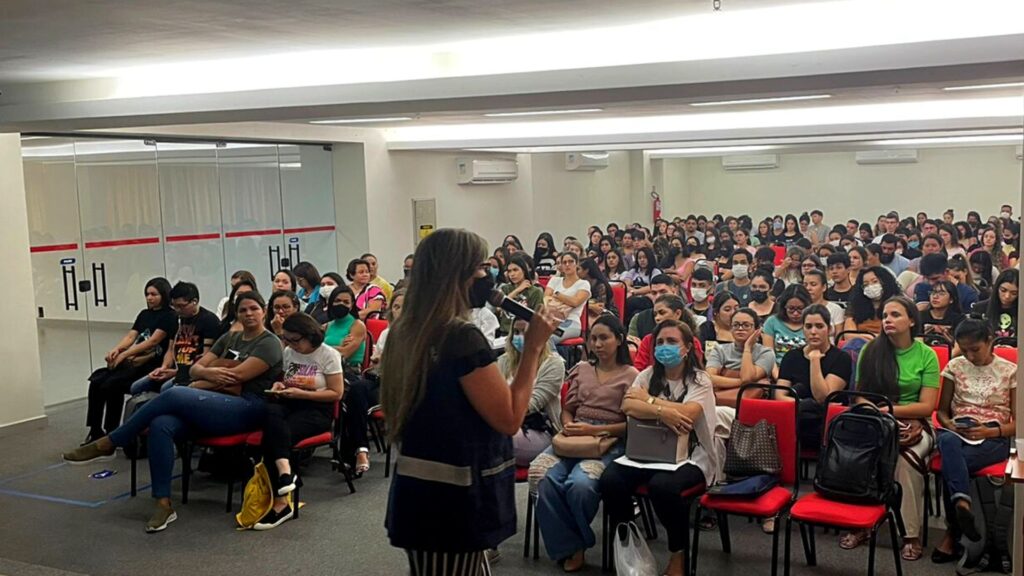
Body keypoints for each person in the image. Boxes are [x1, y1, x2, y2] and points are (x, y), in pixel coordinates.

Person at [381, 228, 558, 575]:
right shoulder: (460, 337)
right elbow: (509, 418)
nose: (486, 276)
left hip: (421, 485)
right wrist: (535, 347)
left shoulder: (406, 331)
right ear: (455, 275)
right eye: (479, 268)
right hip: (453, 496)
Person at [64, 291, 283, 533]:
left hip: (247, 409)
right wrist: (212, 371)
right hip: (214, 402)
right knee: (161, 423)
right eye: (243, 310)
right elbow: (194, 369)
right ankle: (163, 504)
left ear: (263, 310)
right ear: (237, 313)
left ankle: (112, 441)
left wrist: (212, 370)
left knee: (174, 394)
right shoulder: (230, 338)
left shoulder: (269, 342)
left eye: (253, 308)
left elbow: (238, 376)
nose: (249, 314)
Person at [600, 320, 722, 576]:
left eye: (672, 342)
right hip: (646, 452)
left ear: (687, 347)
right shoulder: (646, 375)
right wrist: (662, 412)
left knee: (662, 487)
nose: (664, 347)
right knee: (610, 479)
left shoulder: (700, 380)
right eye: (660, 342)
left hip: (692, 456)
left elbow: (688, 415)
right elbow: (628, 406)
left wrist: (648, 401)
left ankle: (678, 553)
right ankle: (630, 544)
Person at [532, 316, 637, 572]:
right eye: (593, 339)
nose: (597, 344)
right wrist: (568, 424)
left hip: (608, 440)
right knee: (540, 476)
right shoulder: (582, 369)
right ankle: (573, 544)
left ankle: (573, 544)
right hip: (574, 435)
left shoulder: (632, 375)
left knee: (580, 486)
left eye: (604, 338)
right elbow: (569, 409)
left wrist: (594, 429)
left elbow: (632, 426)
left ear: (619, 340)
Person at [842, 296, 938, 561]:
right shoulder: (870, 350)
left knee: (905, 460)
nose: (888, 320)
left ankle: (910, 534)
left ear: (911, 320)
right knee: (862, 454)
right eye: (885, 315)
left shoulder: (926, 355)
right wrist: (880, 415)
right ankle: (863, 523)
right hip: (877, 420)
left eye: (895, 315)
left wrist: (891, 412)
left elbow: (926, 406)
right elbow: (859, 396)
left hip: (917, 424)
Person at [931, 318, 1016, 564]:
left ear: (990, 341)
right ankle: (962, 505)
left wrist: (988, 432)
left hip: (993, 435)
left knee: (953, 464)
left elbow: (1017, 424)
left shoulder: (1010, 371)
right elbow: (942, 412)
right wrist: (950, 425)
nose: (969, 355)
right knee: (948, 443)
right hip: (958, 432)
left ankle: (953, 529)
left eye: (975, 349)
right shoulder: (955, 366)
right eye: (964, 349)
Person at [257, 313, 345, 530]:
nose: (290, 344)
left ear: (310, 336)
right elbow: (287, 379)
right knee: (269, 413)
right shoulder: (289, 351)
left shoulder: (328, 355)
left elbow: (336, 393)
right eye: (287, 339)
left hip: (317, 409)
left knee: (274, 435)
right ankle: (286, 472)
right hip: (292, 402)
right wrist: (281, 388)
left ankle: (281, 503)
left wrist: (302, 394)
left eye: (295, 340)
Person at [84, 277, 176, 443]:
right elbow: (131, 336)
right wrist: (117, 349)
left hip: (149, 364)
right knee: (96, 381)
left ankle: (112, 430)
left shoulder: (169, 316)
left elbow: (153, 341)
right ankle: (95, 428)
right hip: (132, 362)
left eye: (154, 294)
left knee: (112, 385)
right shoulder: (144, 314)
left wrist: (125, 354)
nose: (149, 298)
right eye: (147, 294)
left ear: (164, 294)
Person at [775, 304, 852, 450]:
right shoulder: (791, 356)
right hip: (798, 420)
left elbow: (823, 396)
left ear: (829, 329)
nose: (813, 332)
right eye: (808, 326)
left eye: (819, 326)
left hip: (830, 426)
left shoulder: (842, 358)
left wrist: (815, 360)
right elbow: (779, 396)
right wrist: (811, 406)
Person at [128, 281, 224, 396]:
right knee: (136, 387)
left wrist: (175, 373)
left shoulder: (209, 320)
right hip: (175, 369)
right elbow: (170, 349)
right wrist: (164, 367)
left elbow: (206, 356)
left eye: (181, 306)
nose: (177, 310)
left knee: (165, 389)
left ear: (194, 302)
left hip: (191, 373)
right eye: (174, 306)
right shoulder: (176, 318)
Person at [498, 319, 566, 466]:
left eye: (526, 332)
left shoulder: (554, 364)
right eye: (516, 332)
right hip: (505, 423)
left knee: (496, 438)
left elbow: (531, 404)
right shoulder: (504, 361)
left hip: (540, 429)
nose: (520, 337)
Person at [705, 307, 775, 409]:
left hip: (752, 408)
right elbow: (709, 378)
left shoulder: (766, 353)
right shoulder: (719, 350)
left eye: (746, 325)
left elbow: (747, 377)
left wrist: (747, 348)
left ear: (757, 329)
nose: (740, 329)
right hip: (718, 405)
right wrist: (742, 382)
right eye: (736, 325)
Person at [633, 295, 702, 371]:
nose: (657, 318)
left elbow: (696, 370)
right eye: (655, 314)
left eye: (662, 313)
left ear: (677, 314)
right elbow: (638, 369)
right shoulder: (648, 340)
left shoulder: (692, 341)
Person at [544, 252, 592, 345]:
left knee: (549, 340)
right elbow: (546, 300)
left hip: (571, 322)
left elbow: (575, 302)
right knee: (532, 337)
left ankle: (556, 360)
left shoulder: (583, 284)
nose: (567, 265)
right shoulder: (555, 280)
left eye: (571, 262)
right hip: (551, 320)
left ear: (577, 264)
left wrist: (557, 295)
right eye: (564, 262)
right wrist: (566, 301)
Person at [762, 284, 810, 373]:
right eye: (791, 309)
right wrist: (778, 376)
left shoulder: (812, 323)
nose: (795, 313)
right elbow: (769, 356)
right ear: (784, 307)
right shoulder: (772, 322)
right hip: (778, 370)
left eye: (800, 309)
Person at [843, 267, 899, 339]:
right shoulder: (855, 306)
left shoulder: (898, 305)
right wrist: (871, 337)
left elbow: (897, 336)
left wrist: (868, 337)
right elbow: (848, 335)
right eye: (866, 284)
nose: (870, 286)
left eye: (875, 281)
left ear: (885, 283)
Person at [911, 253, 978, 313]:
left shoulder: (967, 293)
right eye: (927, 279)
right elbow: (919, 312)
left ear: (946, 272)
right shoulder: (922, 287)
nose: (931, 283)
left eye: (935, 278)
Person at [498, 253, 545, 335]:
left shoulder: (535, 291)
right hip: (505, 332)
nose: (512, 274)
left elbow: (538, 318)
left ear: (524, 270)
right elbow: (499, 308)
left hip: (526, 333)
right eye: (509, 271)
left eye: (515, 270)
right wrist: (517, 290)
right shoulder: (505, 288)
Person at [627, 275, 677, 343]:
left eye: (663, 292)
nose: (658, 297)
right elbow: (632, 346)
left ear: (674, 291)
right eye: (654, 293)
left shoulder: (691, 319)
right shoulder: (638, 319)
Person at [972, 269, 1018, 340]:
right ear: (997, 288)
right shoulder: (980, 308)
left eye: (1014, 293)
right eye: (1003, 290)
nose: (1007, 296)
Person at [803, 269, 844, 334]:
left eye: (813, 284)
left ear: (824, 287)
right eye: (805, 285)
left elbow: (839, 338)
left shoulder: (835, 309)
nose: (808, 288)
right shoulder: (800, 309)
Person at [370, 288, 405, 367]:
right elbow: (373, 364)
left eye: (406, 307)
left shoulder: (419, 337)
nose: (400, 311)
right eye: (396, 307)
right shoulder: (385, 333)